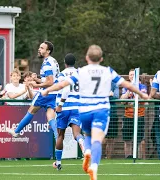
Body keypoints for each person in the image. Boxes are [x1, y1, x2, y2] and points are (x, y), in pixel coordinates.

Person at [42, 45, 148, 180]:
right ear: (101, 59)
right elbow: (127, 85)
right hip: (101, 110)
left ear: (87, 58)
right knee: (97, 140)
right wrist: (141, 94)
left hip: (85, 110)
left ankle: (86, 151)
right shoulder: (107, 71)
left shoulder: (81, 71)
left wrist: (46, 90)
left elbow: (62, 85)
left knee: (87, 136)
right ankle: (94, 166)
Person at [6, 41, 59, 140]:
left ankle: (16, 131)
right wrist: (37, 79)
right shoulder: (53, 61)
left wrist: (36, 84)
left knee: (31, 110)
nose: (39, 49)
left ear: (48, 51)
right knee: (50, 117)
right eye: (39, 47)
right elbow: (50, 80)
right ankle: (58, 137)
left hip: (46, 93)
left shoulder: (47, 63)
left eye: (42, 48)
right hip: (54, 93)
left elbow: (50, 82)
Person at [52, 53, 84, 171]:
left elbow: (65, 89)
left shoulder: (62, 74)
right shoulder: (80, 74)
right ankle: (82, 144)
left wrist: (60, 104)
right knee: (77, 134)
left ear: (65, 63)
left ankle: (58, 162)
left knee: (61, 135)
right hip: (76, 107)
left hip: (64, 107)